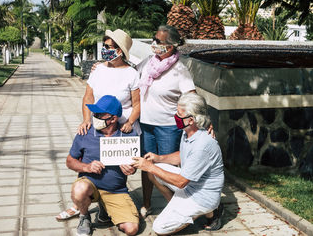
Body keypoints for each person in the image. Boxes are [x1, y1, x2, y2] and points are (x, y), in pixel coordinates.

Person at [56, 29, 140, 221]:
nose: (105, 50)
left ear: (120, 50)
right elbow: (88, 97)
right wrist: (87, 120)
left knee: (117, 167)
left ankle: (109, 201)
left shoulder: (131, 74)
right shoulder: (99, 69)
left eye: (109, 47)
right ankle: (81, 204)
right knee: (90, 159)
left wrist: (130, 123)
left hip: (120, 127)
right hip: (98, 123)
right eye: (105, 46)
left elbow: (137, 104)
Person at [132, 92, 224, 235]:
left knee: (159, 228)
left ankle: (199, 213)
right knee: (153, 172)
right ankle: (179, 208)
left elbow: (181, 182)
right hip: (190, 185)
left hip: (201, 196)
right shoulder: (187, 131)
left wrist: (149, 166)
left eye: (179, 114)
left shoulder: (202, 144)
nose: (176, 116)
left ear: (192, 119)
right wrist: (158, 158)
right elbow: (183, 155)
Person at [136, 25, 196, 217]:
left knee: (167, 170)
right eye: (154, 39)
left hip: (168, 127)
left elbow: (191, 97)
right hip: (145, 124)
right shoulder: (147, 63)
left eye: (159, 41)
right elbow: (130, 76)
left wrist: (199, 123)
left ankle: (176, 207)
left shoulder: (179, 70)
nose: (154, 44)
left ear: (170, 46)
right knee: (146, 166)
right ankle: (147, 203)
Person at [66, 95, 139, 236]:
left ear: (113, 119)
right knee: (79, 189)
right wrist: (86, 167)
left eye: (99, 114)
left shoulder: (128, 136)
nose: (95, 116)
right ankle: (84, 216)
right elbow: (70, 161)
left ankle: (105, 209)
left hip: (116, 190)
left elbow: (135, 165)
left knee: (132, 230)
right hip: (90, 185)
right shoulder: (85, 131)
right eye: (95, 113)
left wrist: (131, 169)